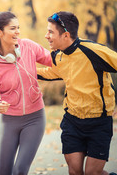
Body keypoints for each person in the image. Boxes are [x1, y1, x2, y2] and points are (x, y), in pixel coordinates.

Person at [37, 11, 117, 175]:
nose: (46, 36)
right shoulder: (58, 56)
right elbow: (51, 73)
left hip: (99, 122)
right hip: (72, 121)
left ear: (65, 35)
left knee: (92, 173)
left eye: (51, 32)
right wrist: (21, 70)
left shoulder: (93, 51)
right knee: (74, 172)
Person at [0, 11, 52, 175]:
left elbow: (53, 60)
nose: (17, 32)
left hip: (35, 119)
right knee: (3, 171)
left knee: (20, 171)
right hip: (9, 121)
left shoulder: (28, 47)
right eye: (12, 28)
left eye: (18, 28)